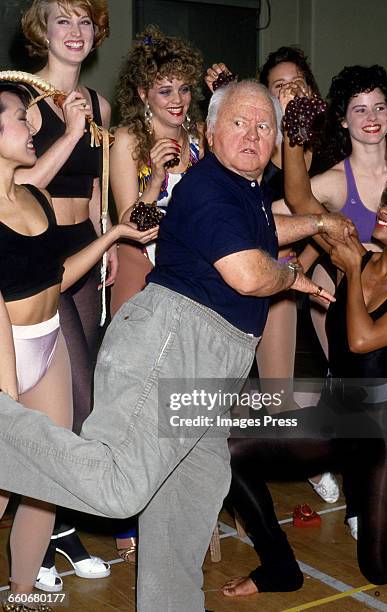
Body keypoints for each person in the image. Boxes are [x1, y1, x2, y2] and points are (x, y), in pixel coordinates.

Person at [0, 80, 350, 612]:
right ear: (208, 133)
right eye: (238, 123)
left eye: (263, 126)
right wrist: (293, 272)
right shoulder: (208, 187)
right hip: (173, 342)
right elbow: (250, 274)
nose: (252, 135)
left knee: (189, 500)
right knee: (119, 487)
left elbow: (263, 227)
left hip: (214, 361)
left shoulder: (244, 193)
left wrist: (319, 220)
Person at [222, 155, 387, 598]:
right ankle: (279, 568)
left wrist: (353, 270)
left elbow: (363, 340)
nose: (385, 210)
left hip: (385, 434)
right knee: (229, 450)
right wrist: (293, 138)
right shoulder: (358, 256)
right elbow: (304, 200)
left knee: (379, 569)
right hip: (334, 421)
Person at [0, 81, 157, 598]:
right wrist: (7, 390)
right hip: (4, 349)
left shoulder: (32, 197)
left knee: (45, 478)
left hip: (47, 345)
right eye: (20, 119)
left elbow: (58, 277)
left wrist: (112, 236)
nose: (29, 128)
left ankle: (22, 592)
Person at [279, 64, 387, 538]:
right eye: (359, 109)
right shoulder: (337, 181)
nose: (371, 117)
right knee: (360, 401)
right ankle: (362, 496)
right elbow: (297, 198)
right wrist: (293, 132)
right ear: (342, 120)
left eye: (379, 106)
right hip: (355, 308)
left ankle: (386, 494)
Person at [205, 49, 339, 503]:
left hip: (322, 259)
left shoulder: (328, 138)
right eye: (278, 85)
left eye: (297, 81)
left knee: (350, 371)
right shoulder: (261, 144)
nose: (290, 90)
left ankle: (337, 456)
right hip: (274, 265)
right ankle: (281, 461)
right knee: (275, 388)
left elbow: (328, 212)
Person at [16, 0, 117, 588]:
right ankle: (54, 529)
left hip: (85, 250)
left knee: (87, 401)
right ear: (42, 31)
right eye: (63, 21)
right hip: (44, 252)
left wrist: (104, 239)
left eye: (85, 21)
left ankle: (54, 522)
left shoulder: (100, 104)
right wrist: (71, 128)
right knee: (70, 400)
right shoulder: (24, 103)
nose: (76, 32)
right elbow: (19, 183)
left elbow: (97, 184)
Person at [109, 27, 204, 561]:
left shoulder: (201, 139)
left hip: (188, 278)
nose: (176, 100)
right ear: (144, 93)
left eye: (184, 89)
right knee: (137, 404)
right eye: (165, 89)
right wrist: (154, 183)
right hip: (140, 271)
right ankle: (126, 519)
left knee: (183, 404)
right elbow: (130, 223)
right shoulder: (127, 140)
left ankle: (176, 513)